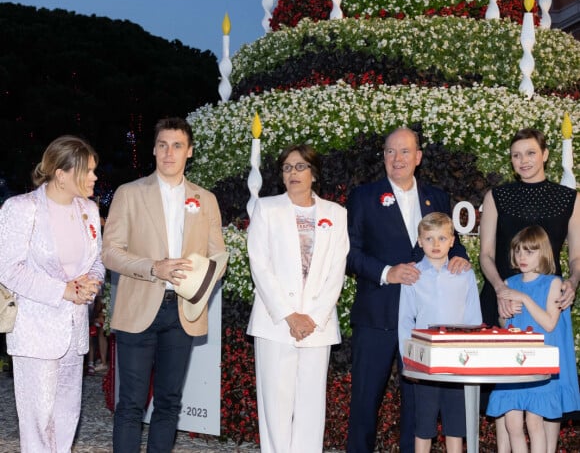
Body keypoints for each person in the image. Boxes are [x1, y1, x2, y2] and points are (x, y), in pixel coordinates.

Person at [102, 117, 226, 453]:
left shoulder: (206, 199)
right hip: (138, 308)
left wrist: (198, 281)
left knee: (170, 403)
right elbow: (110, 253)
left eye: (176, 145)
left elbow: (220, 255)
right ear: (153, 150)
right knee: (130, 405)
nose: (168, 152)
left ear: (190, 152)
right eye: (162, 145)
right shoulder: (129, 194)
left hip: (182, 313)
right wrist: (153, 268)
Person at [346, 127, 470, 453]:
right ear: (383, 157)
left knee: (419, 408)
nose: (397, 158)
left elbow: (450, 244)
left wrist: (459, 259)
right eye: (390, 151)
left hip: (424, 324)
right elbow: (350, 254)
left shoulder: (437, 198)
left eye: (404, 152)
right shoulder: (363, 197)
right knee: (364, 404)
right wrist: (388, 272)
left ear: (418, 157)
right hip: (377, 315)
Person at [0, 135, 104, 452]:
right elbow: (9, 269)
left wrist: (92, 283)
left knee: (66, 416)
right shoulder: (21, 208)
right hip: (35, 331)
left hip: (74, 333)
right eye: (87, 171)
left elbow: (97, 261)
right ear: (61, 174)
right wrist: (64, 291)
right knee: (37, 422)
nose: (94, 177)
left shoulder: (89, 210)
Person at [479, 127, 580, 452]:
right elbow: (486, 254)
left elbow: (577, 255)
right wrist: (499, 291)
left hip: (548, 301)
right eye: (516, 155)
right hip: (504, 298)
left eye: (530, 153)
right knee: (505, 390)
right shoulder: (496, 196)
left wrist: (574, 283)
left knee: (547, 388)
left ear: (545, 155)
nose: (523, 160)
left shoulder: (570, 198)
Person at [246, 144, 349, 453]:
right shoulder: (266, 209)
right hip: (275, 322)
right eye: (287, 167)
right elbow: (260, 266)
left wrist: (312, 317)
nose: (293, 173)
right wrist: (290, 315)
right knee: (275, 407)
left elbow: (336, 270)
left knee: (310, 405)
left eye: (300, 166)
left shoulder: (336, 213)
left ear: (313, 173)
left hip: (317, 326)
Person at [487, 225, 580, 452]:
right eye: (518, 251)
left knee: (534, 422)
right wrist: (504, 315)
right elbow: (505, 325)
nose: (522, 257)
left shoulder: (553, 283)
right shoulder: (509, 283)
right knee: (512, 424)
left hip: (539, 366)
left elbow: (549, 323)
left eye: (529, 252)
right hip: (514, 365)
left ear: (544, 253)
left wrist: (525, 300)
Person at [399, 212, 482, 453]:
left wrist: (472, 357)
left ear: (452, 240)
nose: (436, 245)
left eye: (442, 238)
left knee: (456, 425)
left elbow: (473, 319)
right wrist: (409, 361)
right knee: (423, 423)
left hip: (458, 360)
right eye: (429, 239)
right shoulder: (413, 276)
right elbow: (405, 321)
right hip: (426, 362)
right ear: (419, 240)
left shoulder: (464, 274)